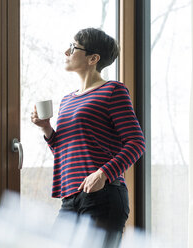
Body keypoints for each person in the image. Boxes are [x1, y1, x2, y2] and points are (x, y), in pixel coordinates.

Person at [31, 28, 146, 247]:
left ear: (93, 58)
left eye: (73, 48)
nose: (66, 51)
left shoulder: (113, 90)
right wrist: (46, 129)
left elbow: (136, 143)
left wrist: (103, 173)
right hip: (71, 197)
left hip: (104, 195)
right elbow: (64, 152)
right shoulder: (66, 101)